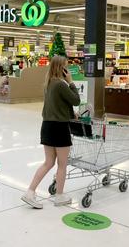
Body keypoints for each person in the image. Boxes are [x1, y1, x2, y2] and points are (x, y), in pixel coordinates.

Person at [22, 56, 80, 208]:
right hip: (59, 128)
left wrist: (70, 114)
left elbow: (57, 106)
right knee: (62, 164)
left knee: (48, 162)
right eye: (66, 67)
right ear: (61, 68)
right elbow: (76, 100)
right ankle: (60, 196)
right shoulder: (61, 84)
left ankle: (30, 192)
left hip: (47, 126)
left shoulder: (49, 84)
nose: (68, 70)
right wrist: (71, 82)